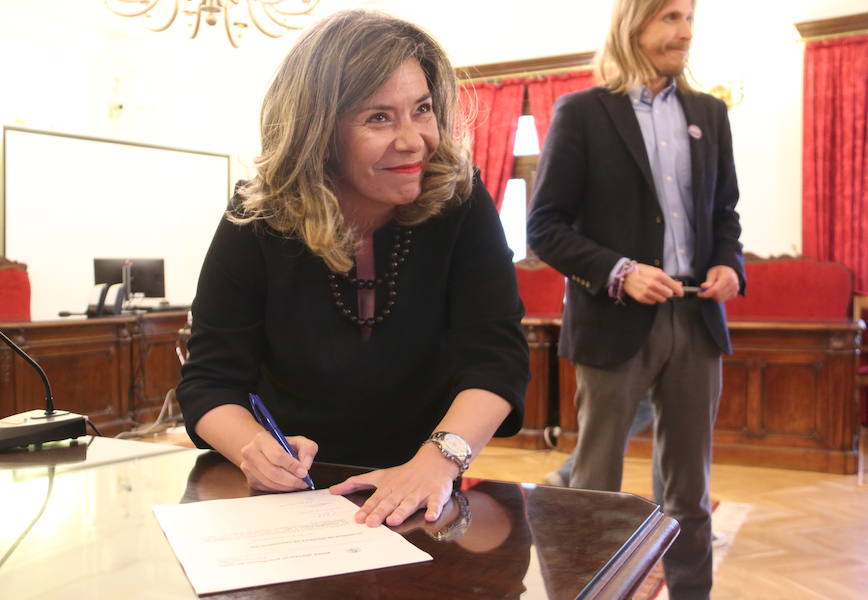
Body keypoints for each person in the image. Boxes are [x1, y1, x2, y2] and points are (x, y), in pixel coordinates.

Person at [176, 10, 529, 531]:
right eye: (379, 117)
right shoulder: (257, 217)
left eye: (422, 110)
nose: (413, 141)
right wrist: (254, 447)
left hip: (421, 482)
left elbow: (497, 360)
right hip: (293, 500)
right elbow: (210, 381)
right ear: (319, 133)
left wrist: (437, 461)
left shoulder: (462, 201)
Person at [527, 0, 744, 597]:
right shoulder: (582, 113)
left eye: (690, 17)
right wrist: (621, 271)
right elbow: (544, 228)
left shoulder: (709, 113)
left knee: (689, 497)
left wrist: (729, 263)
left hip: (696, 320)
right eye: (671, 17)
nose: (686, 31)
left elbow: (724, 215)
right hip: (612, 320)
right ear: (634, 24)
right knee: (595, 491)